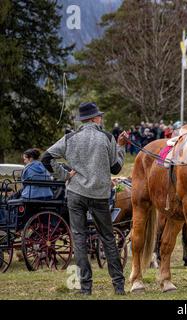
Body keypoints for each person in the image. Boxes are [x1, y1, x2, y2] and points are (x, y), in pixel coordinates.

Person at [42, 102, 127, 295]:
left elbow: (46, 158)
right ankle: (118, 286)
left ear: (83, 120)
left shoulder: (70, 138)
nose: (101, 119)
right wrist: (121, 147)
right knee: (107, 238)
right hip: (99, 194)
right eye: (100, 116)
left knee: (79, 238)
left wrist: (64, 174)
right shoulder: (106, 137)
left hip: (76, 193)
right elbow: (115, 168)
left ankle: (85, 288)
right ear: (95, 119)